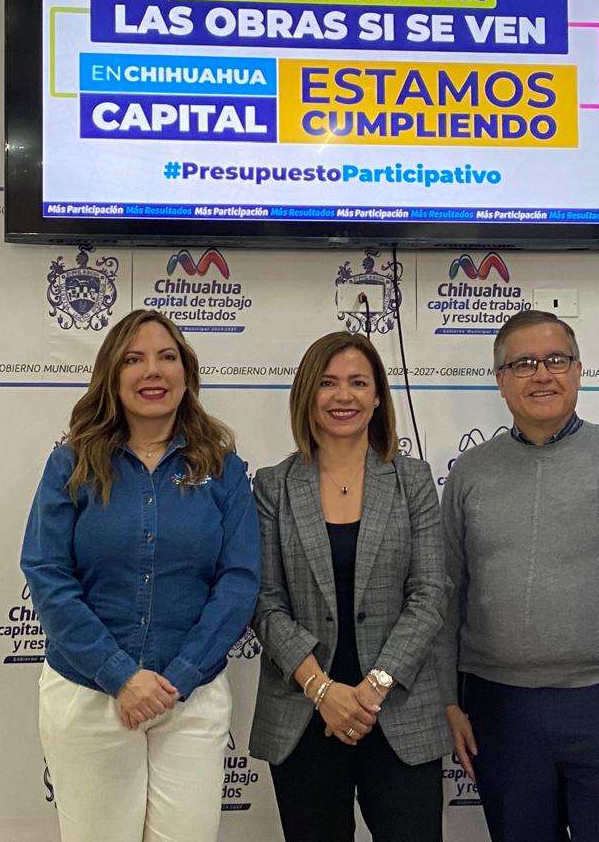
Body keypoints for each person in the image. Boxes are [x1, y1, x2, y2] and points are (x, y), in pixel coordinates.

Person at [436, 309, 599, 842]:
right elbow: (444, 595)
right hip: (498, 707)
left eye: (556, 360)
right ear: (501, 380)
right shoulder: (469, 473)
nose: (542, 375)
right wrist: (448, 700)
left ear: (578, 370)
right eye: (523, 364)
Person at [21, 309, 259, 842]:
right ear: (112, 374)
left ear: (186, 373)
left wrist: (182, 676)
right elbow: (46, 572)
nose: (152, 370)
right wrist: (120, 675)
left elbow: (239, 581)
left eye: (166, 357)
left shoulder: (223, 468)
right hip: (89, 694)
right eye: (134, 359)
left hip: (190, 698)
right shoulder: (71, 463)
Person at [250, 331, 450, 842]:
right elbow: (265, 602)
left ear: (378, 396)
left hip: (398, 712)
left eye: (358, 383)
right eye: (328, 383)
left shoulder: (413, 480)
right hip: (303, 713)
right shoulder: (273, 486)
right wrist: (322, 689)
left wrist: (373, 687)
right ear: (307, 394)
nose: (344, 396)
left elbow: (430, 593)